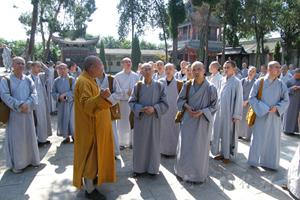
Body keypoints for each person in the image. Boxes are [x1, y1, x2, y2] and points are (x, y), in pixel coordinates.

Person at [73, 56, 115, 200]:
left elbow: (93, 101)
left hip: (94, 125)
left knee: (94, 156)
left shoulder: (89, 80)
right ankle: (89, 190)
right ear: (92, 68)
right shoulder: (84, 81)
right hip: (90, 128)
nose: (102, 67)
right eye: (100, 65)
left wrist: (102, 96)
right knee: (90, 157)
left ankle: (91, 179)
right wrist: (100, 98)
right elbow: (86, 104)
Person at [175, 61, 218, 183]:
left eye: (199, 69)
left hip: (202, 122)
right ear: (191, 71)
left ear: (204, 70)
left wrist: (203, 111)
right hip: (188, 120)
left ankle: (198, 175)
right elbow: (180, 100)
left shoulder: (211, 87)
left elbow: (215, 105)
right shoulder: (187, 85)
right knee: (185, 146)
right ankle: (182, 172)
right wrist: (187, 107)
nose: (196, 72)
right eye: (194, 70)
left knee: (200, 148)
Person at [0, 57, 40, 173]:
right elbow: (5, 96)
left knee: (29, 136)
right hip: (15, 114)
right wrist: (19, 104)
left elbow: (34, 93)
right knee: (16, 140)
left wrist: (27, 104)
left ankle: (31, 159)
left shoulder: (28, 79)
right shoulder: (6, 80)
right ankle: (17, 164)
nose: (21, 65)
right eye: (18, 63)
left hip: (27, 112)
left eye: (22, 63)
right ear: (12, 64)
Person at [128, 63, 169, 177]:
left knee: (153, 143)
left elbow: (165, 103)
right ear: (141, 72)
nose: (147, 72)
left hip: (154, 119)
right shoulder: (138, 86)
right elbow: (131, 102)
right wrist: (141, 108)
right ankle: (138, 168)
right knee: (140, 143)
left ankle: (153, 169)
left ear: (153, 70)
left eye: (149, 69)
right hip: (141, 119)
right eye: (144, 69)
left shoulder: (160, 86)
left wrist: (154, 108)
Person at [247, 61, 289, 169]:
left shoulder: (281, 84)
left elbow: (286, 101)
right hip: (262, 114)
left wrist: (278, 108)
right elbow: (252, 97)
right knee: (258, 138)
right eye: (276, 67)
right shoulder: (259, 82)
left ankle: (270, 163)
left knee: (273, 139)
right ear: (269, 69)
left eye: (280, 67)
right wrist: (264, 108)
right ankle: (254, 160)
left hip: (274, 116)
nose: (279, 70)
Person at [211, 60, 243, 163]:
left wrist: (236, 114)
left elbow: (239, 99)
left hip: (229, 112)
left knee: (227, 133)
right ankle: (220, 153)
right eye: (224, 67)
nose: (225, 69)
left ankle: (227, 155)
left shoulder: (237, 82)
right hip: (220, 111)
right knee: (219, 132)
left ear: (233, 69)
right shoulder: (221, 80)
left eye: (228, 67)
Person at [95, 71, 122, 158]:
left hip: (109, 108)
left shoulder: (111, 79)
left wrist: (106, 98)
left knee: (111, 131)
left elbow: (118, 93)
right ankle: (99, 152)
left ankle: (113, 152)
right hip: (96, 108)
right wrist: (99, 99)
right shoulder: (91, 79)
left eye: (100, 65)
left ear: (102, 67)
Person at [114, 57, 139, 149]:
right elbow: (115, 90)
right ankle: (121, 142)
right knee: (122, 122)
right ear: (122, 64)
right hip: (122, 103)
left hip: (133, 103)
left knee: (132, 122)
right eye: (126, 62)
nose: (128, 63)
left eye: (129, 61)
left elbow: (139, 88)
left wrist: (133, 92)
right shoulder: (118, 76)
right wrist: (126, 91)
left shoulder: (136, 76)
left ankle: (132, 141)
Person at [158, 63, 181, 157]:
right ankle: (162, 150)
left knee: (174, 130)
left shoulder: (179, 83)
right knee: (162, 131)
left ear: (174, 70)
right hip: (162, 111)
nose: (168, 71)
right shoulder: (159, 82)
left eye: (170, 69)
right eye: (166, 69)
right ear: (164, 70)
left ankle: (173, 151)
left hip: (174, 110)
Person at [28, 61, 52, 147]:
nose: (40, 68)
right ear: (32, 67)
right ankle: (40, 140)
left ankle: (43, 138)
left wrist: (42, 64)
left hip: (43, 102)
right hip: (35, 103)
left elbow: (49, 73)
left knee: (44, 120)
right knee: (38, 121)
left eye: (40, 67)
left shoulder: (40, 76)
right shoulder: (29, 77)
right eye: (37, 66)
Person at [51, 63, 75, 143]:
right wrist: (59, 96)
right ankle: (66, 136)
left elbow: (75, 91)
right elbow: (53, 92)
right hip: (61, 104)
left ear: (67, 69)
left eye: (64, 68)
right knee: (63, 119)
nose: (62, 70)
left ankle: (74, 136)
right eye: (60, 69)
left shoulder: (72, 79)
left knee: (72, 119)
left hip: (70, 103)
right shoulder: (56, 81)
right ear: (58, 70)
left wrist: (65, 95)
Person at [237, 66, 257, 142]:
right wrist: (241, 100)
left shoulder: (256, 82)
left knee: (249, 119)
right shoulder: (242, 80)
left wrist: (247, 101)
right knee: (241, 119)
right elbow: (239, 91)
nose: (251, 73)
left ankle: (247, 136)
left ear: (255, 73)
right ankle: (239, 134)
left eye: (253, 71)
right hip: (241, 102)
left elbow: (256, 94)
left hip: (250, 103)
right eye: (250, 71)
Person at [282, 68, 300, 134]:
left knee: (296, 116)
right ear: (293, 74)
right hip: (291, 100)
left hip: (298, 100)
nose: (297, 77)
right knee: (289, 114)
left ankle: (294, 130)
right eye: (296, 75)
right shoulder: (289, 81)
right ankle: (287, 130)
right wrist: (292, 88)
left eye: (299, 75)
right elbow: (284, 90)